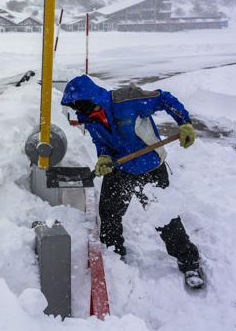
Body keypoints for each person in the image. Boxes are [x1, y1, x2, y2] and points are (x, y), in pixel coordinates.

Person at [61, 74, 204, 289]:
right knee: (109, 214)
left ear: (88, 99)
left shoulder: (126, 99)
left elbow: (163, 98)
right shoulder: (89, 118)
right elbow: (100, 142)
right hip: (120, 170)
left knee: (164, 218)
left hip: (151, 169)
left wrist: (184, 122)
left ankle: (189, 261)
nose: (78, 112)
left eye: (78, 105)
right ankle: (114, 258)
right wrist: (104, 157)